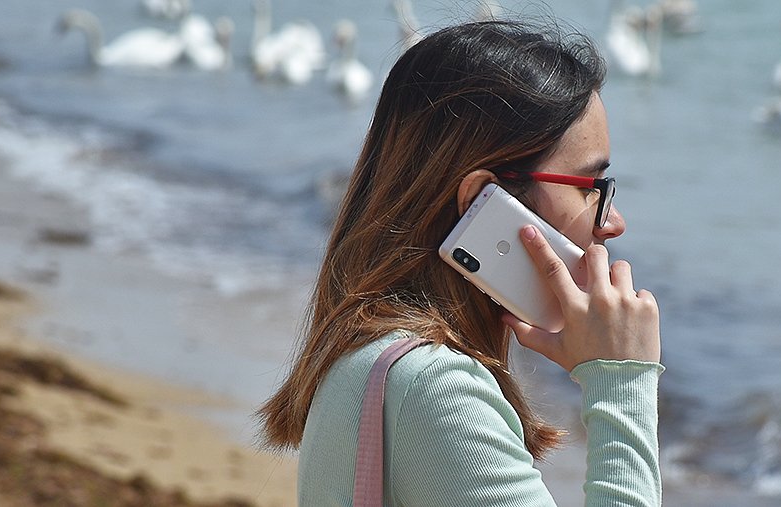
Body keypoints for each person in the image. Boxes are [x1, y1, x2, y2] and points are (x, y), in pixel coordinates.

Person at [260, 19, 663, 506]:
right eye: (590, 188)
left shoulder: (369, 354)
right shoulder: (435, 389)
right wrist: (622, 379)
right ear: (481, 200)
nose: (614, 222)